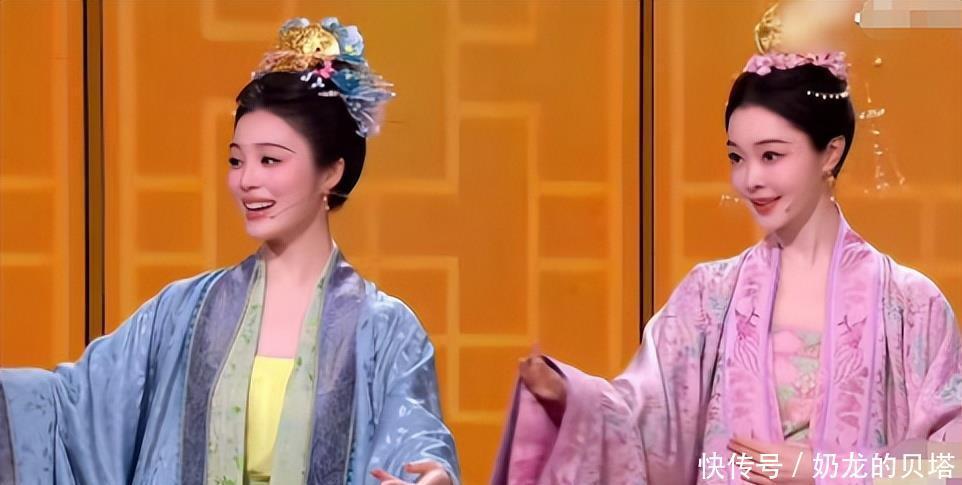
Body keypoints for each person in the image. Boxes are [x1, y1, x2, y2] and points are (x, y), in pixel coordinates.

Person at [0, 17, 459, 485]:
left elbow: (415, 437)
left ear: (331, 173)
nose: (246, 180)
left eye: (270, 160)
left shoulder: (384, 330)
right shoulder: (182, 312)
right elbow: (70, 408)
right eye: (236, 160)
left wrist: (432, 475)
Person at [491, 49, 961, 485]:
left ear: (831, 153)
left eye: (771, 156)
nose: (750, 179)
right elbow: (643, 423)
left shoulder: (910, 304)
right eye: (737, 157)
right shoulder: (708, 295)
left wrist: (822, 471)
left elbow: (951, 461)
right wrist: (571, 400)